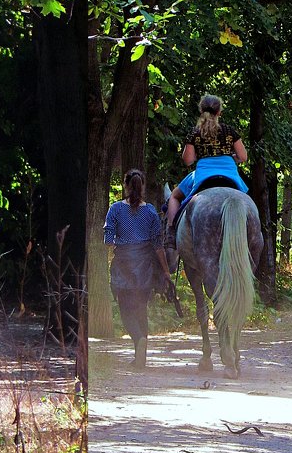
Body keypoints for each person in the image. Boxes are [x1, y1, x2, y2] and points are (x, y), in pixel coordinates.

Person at [104, 170, 176, 368]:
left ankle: (138, 341)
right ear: (142, 186)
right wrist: (166, 271)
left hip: (123, 264)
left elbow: (108, 241)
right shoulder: (151, 211)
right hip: (145, 267)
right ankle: (140, 353)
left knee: (125, 309)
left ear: (126, 185)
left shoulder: (115, 209)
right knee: (141, 309)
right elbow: (158, 245)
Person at [163, 94, 249, 249]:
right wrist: (231, 157)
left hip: (203, 174)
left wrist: (201, 154)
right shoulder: (230, 131)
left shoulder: (195, 133)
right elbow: (243, 156)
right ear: (219, 112)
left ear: (201, 111)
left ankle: (171, 232)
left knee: (174, 196)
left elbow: (188, 160)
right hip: (230, 174)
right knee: (248, 203)